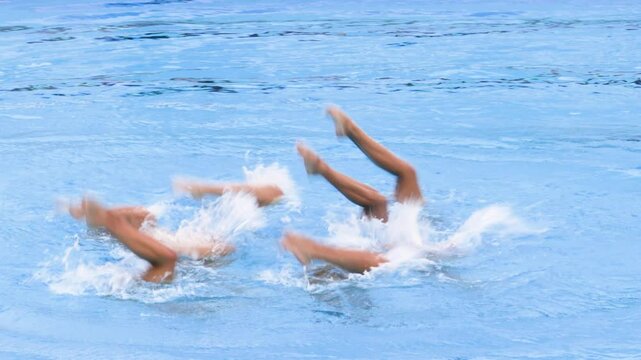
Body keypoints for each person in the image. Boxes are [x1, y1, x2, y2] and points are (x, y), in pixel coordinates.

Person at [283, 105, 423, 273]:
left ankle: (315, 250)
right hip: (409, 241)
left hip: (412, 249)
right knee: (389, 192)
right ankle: (330, 156)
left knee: (384, 260)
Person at [67, 183, 284, 283]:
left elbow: (273, 194)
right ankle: (105, 221)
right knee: (167, 251)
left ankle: (104, 220)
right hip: (169, 268)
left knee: (157, 238)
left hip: (169, 264)